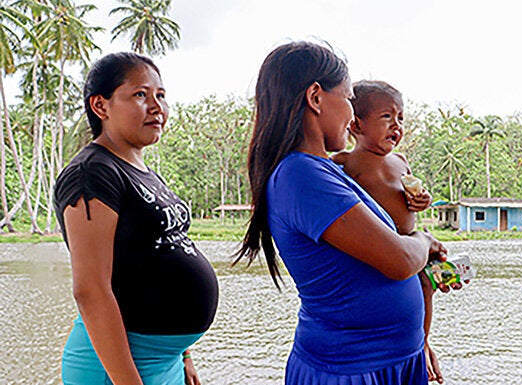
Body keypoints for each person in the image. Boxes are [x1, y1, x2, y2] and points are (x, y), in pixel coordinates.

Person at [236, 41, 448, 385]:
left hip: (391, 359)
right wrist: (423, 241)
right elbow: (398, 259)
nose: (352, 114)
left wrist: (418, 339)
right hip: (352, 368)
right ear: (315, 97)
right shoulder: (301, 175)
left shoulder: (324, 170)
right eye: (349, 99)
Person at [54, 52, 219, 385]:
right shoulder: (92, 175)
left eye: (161, 95)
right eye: (141, 95)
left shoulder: (142, 171)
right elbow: (91, 290)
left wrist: (184, 355)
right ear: (101, 106)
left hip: (163, 361)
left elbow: (158, 257)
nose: (157, 106)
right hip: (119, 367)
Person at [331, 80, 443, 383]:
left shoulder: (400, 161)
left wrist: (422, 201)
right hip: (380, 251)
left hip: (412, 249)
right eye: (386, 117)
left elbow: (410, 196)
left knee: (426, 288)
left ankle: (422, 342)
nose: (397, 125)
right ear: (356, 124)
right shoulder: (344, 163)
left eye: (401, 118)